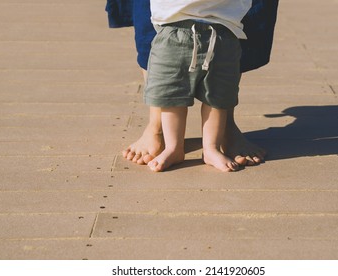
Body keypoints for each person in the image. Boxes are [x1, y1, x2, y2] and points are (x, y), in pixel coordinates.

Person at [105, 0, 279, 166]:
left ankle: (218, 138)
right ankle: (160, 130)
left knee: (218, 92)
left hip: (225, 25)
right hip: (171, 23)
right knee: (170, 90)